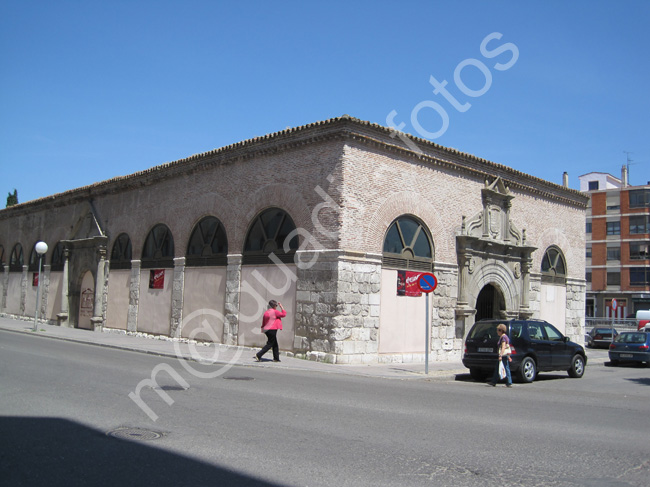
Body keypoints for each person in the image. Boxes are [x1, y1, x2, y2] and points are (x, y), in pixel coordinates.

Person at [488, 323, 512, 387]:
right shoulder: (504, 337)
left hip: (503, 356)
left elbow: (503, 347)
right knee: (497, 368)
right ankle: (494, 381)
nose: (497, 331)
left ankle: (509, 382)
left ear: (501, 330)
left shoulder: (503, 337)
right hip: (505, 355)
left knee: (506, 368)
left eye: (498, 330)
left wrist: (500, 355)